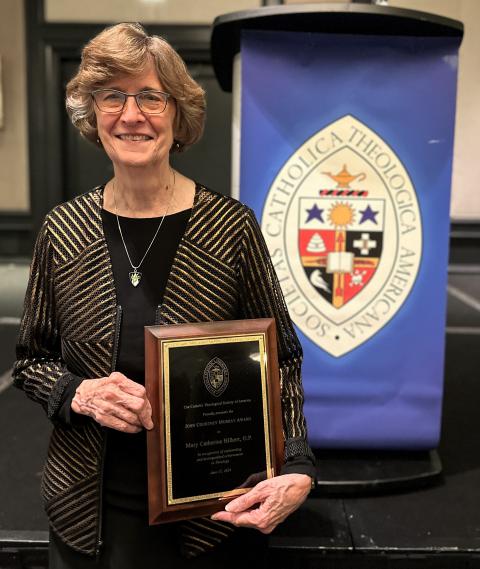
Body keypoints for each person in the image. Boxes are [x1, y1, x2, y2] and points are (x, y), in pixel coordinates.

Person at [13, 22, 316, 568]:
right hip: (89, 509)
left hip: (212, 516)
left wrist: (296, 462)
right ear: (93, 114)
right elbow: (32, 360)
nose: (132, 115)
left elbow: (282, 359)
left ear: (177, 113)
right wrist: (75, 394)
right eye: (112, 97)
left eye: (151, 97)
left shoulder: (230, 228)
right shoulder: (63, 230)